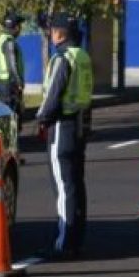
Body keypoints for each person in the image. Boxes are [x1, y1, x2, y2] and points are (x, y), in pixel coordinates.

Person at [36, 13, 93, 258]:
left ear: (59, 33)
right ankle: (77, 237)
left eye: (51, 31)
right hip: (79, 125)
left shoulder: (62, 58)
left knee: (63, 186)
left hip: (62, 126)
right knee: (76, 184)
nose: (50, 35)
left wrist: (41, 119)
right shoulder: (82, 56)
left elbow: (53, 95)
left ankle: (64, 240)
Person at [0, 12, 25, 116]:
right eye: (19, 26)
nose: (20, 30)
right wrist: (19, 83)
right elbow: (12, 65)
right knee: (13, 116)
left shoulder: (0, 40)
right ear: (15, 27)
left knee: (6, 115)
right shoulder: (9, 42)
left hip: (1, 83)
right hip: (10, 85)